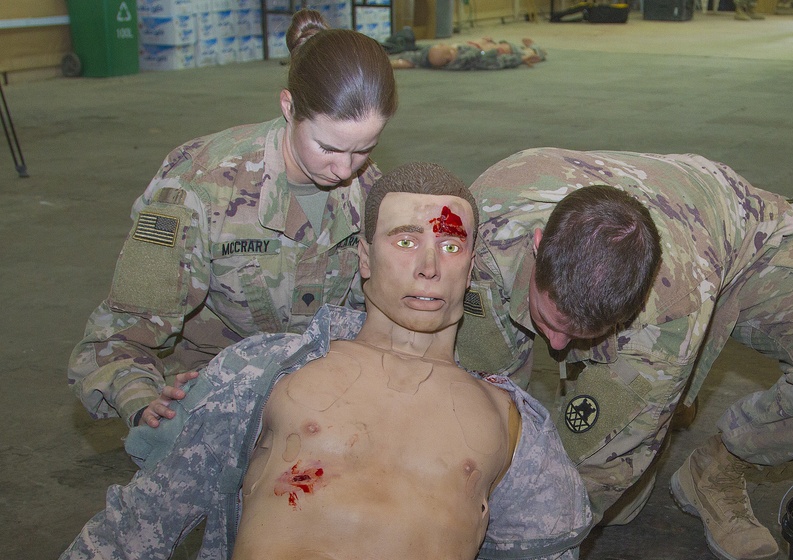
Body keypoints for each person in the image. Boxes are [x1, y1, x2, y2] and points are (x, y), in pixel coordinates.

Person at [1, 163, 627, 560]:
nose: (429, 267)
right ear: (363, 256)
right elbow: (138, 528)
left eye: (450, 243)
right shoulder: (264, 376)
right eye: (405, 240)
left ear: (473, 263)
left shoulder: (512, 424)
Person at [455, 148, 793, 560]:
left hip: (743, 245)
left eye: (577, 336)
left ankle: (716, 471)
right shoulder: (488, 227)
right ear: (538, 245)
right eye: (548, 320)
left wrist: (521, 543)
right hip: (656, 237)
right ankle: (648, 398)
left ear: (634, 307)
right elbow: (478, 385)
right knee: (481, 419)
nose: (554, 345)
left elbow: (595, 476)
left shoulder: (667, 310)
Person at [68, 10, 398, 430]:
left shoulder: (371, 189)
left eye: (363, 148)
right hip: (217, 394)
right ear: (288, 106)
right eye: (328, 148)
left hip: (326, 391)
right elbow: (116, 338)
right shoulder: (197, 188)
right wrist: (143, 398)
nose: (343, 169)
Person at [389, 37, 546, 70]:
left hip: (487, 47)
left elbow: (408, 60)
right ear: (450, 56)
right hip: (498, 53)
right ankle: (534, 47)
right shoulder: (472, 58)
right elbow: (499, 60)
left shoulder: (428, 56)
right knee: (514, 49)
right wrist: (522, 57)